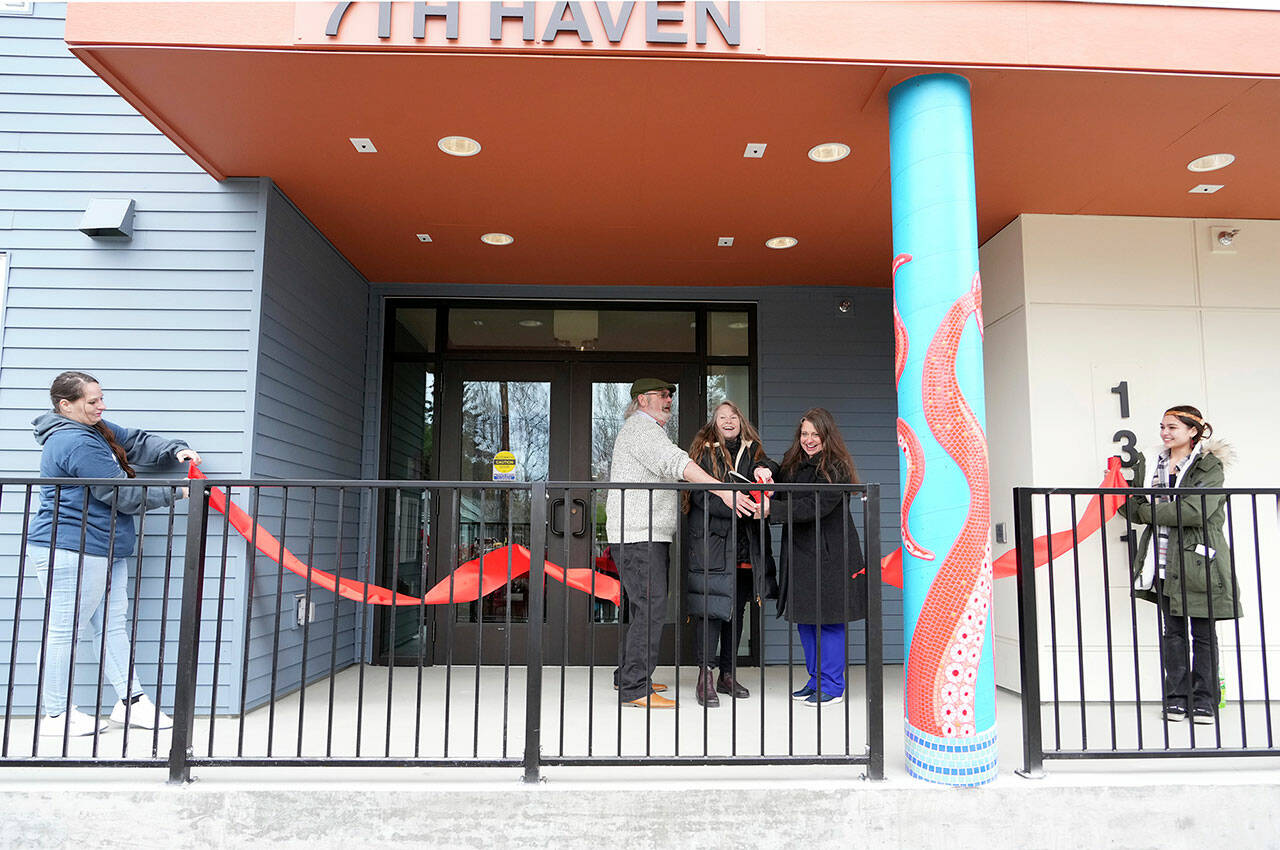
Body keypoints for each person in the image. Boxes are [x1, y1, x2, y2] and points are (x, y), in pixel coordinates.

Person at [26, 371, 202, 737]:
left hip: (104, 546)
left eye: (101, 398)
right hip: (72, 548)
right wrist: (180, 493)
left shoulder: (96, 429)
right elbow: (118, 493)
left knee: (110, 627)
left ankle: (131, 702)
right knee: (65, 631)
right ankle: (57, 716)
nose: (101, 406)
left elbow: (134, 441)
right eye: (92, 401)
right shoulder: (74, 442)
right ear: (65, 405)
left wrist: (174, 449)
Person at [606, 378, 758, 709]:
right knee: (651, 606)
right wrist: (722, 489)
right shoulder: (642, 429)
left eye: (671, 394)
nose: (669, 399)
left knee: (641, 607)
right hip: (638, 534)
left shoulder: (646, 429)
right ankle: (635, 687)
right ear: (643, 400)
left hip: (642, 534)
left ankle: (627, 675)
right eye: (662, 395)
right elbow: (676, 463)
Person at [1119, 405, 1241, 725]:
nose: (1165, 433)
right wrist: (1141, 509)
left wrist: (1147, 513)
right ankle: (1176, 698)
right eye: (1162, 427)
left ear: (1192, 431)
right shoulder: (1151, 462)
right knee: (1172, 633)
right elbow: (1130, 506)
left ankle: (1204, 700)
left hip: (1198, 561)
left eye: (1172, 427)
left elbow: (1195, 511)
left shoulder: (1208, 465)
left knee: (1202, 633)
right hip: (1160, 560)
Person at [683, 401, 778, 708]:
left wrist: (767, 469)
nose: (728, 420)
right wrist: (734, 505)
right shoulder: (703, 452)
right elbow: (697, 496)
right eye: (721, 417)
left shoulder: (753, 451)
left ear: (741, 421)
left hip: (745, 545)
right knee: (711, 610)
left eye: (733, 416)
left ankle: (727, 673)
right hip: (712, 544)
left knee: (735, 611)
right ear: (714, 422)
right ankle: (704, 677)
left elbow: (774, 469)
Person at [773, 407, 865, 707]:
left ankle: (833, 686)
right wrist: (764, 474)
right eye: (804, 434)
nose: (809, 440)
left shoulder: (834, 467)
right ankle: (815, 680)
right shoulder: (793, 464)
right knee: (806, 620)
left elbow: (814, 506)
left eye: (815, 434)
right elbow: (778, 481)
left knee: (829, 621)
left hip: (829, 555)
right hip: (800, 554)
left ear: (827, 436)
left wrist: (770, 511)